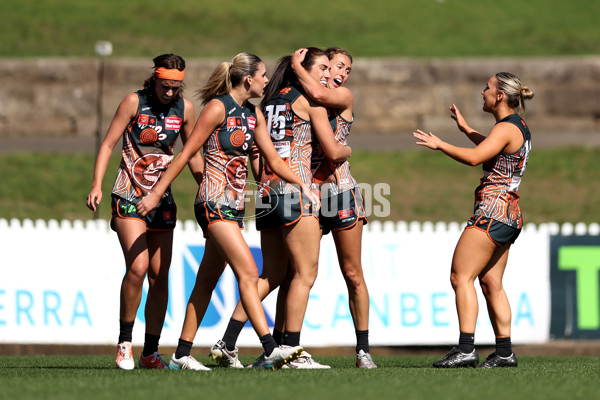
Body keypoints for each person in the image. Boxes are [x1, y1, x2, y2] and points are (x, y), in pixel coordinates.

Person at [136, 52, 314, 370]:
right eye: (262, 76)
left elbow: (273, 161)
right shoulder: (218, 107)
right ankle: (270, 346)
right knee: (248, 272)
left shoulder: (253, 114)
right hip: (212, 202)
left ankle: (181, 354)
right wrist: (155, 194)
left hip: (232, 207)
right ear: (248, 79)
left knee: (207, 279)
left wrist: (302, 185)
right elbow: (185, 154)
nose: (265, 81)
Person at [210, 48, 351, 370]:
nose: (328, 75)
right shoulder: (310, 102)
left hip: (267, 193)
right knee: (305, 273)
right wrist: (347, 148)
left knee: (272, 274)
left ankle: (227, 342)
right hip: (296, 191)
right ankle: (291, 350)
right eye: (324, 68)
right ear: (303, 70)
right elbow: (332, 150)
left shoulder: (268, 103)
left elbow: (259, 154)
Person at [86, 54, 203, 370]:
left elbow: (191, 154)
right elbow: (109, 144)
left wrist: (205, 187)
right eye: (165, 86)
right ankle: (124, 344)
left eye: (176, 87)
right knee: (137, 268)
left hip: (161, 199)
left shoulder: (186, 109)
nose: (170, 93)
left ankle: (150, 352)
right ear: (154, 80)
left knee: (159, 276)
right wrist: (96, 184)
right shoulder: (133, 102)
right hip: (128, 194)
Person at [413, 72, 534, 368]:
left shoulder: (506, 128)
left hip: (492, 212)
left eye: (487, 88)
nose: (483, 92)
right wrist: (466, 128)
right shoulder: (515, 126)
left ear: (500, 96)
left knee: (460, 276)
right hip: (509, 214)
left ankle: (466, 348)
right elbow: (492, 149)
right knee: (492, 283)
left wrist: (440, 144)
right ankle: (504, 352)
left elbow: (475, 157)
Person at [282, 47, 376, 369]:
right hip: (309, 193)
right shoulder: (306, 99)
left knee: (353, 274)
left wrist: (296, 66)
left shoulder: (341, 96)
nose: (342, 74)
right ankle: (285, 348)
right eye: (337, 66)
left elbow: (317, 91)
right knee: (294, 273)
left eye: (347, 70)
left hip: (341, 192)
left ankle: (363, 350)